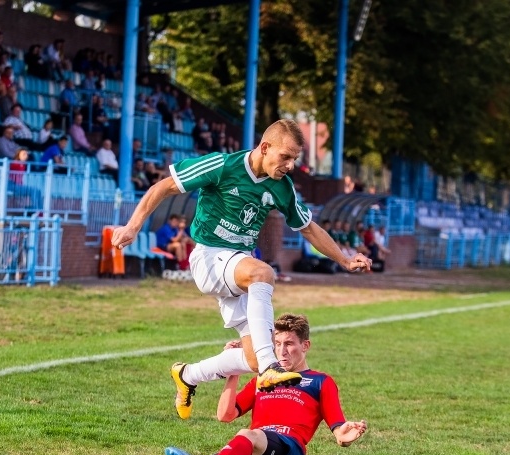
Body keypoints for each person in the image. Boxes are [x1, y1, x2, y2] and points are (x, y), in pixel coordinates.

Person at [110, 119, 372, 416]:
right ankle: (271, 368)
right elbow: (165, 186)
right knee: (263, 273)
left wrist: (345, 259)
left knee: (252, 359)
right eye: (285, 156)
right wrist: (133, 226)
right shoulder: (221, 165)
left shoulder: (282, 187)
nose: (290, 165)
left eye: (294, 159)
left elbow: (309, 228)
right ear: (264, 147)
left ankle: (188, 375)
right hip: (209, 257)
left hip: (237, 267)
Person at [165, 313, 367, 455]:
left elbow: (339, 430)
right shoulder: (262, 379)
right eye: (277, 344)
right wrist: (232, 369)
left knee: (244, 438)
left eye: (289, 343)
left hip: (288, 451)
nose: (282, 351)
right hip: (257, 453)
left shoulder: (320, 381)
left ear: (305, 345)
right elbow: (225, 415)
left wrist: (345, 435)